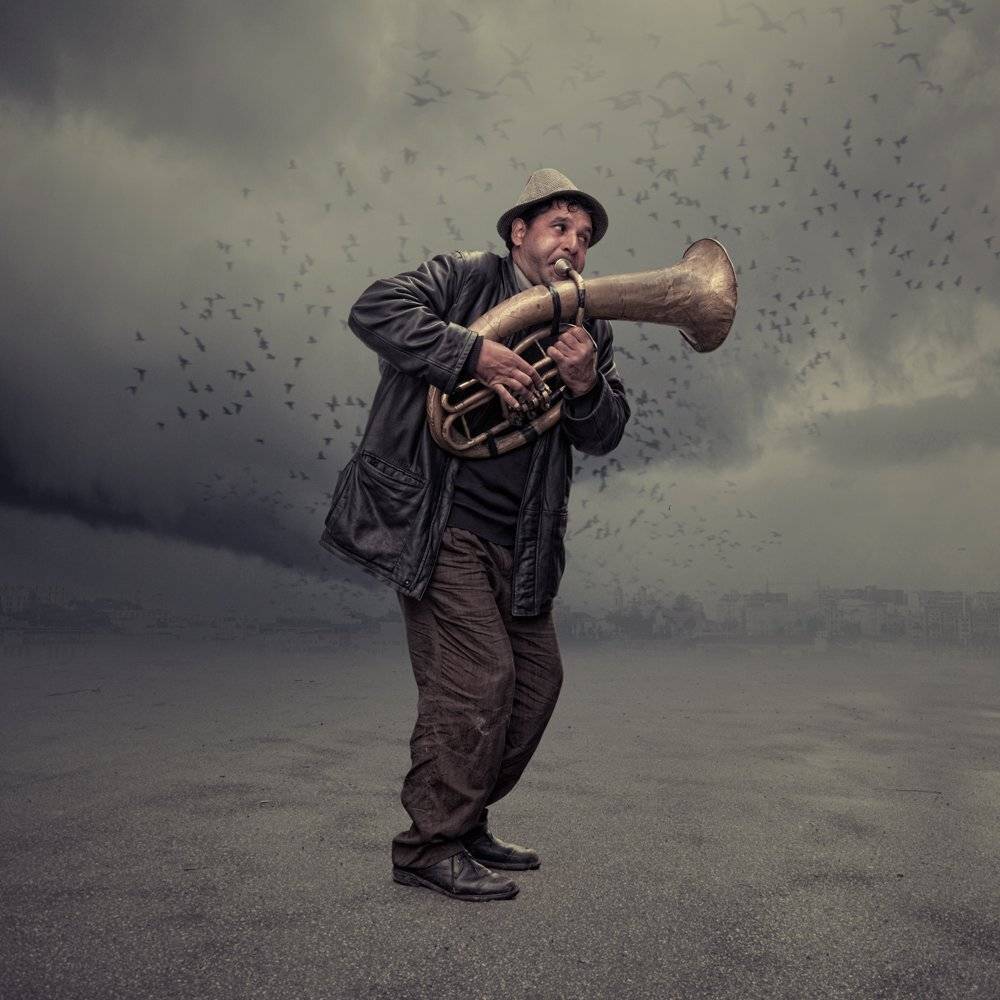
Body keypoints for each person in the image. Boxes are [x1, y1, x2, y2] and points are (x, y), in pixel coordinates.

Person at [319, 168, 630, 901]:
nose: (574, 245)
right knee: (477, 683)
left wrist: (587, 386)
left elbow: (607, 433)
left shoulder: (589, 326)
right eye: (560, 227)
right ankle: (427, 846)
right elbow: (374, 308)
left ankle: (463, 820)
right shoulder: (459, 279)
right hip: (441, 527)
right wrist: (471, 354)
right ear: (518, 231)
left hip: (523, 546)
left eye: (584, 237)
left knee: (537, 686)